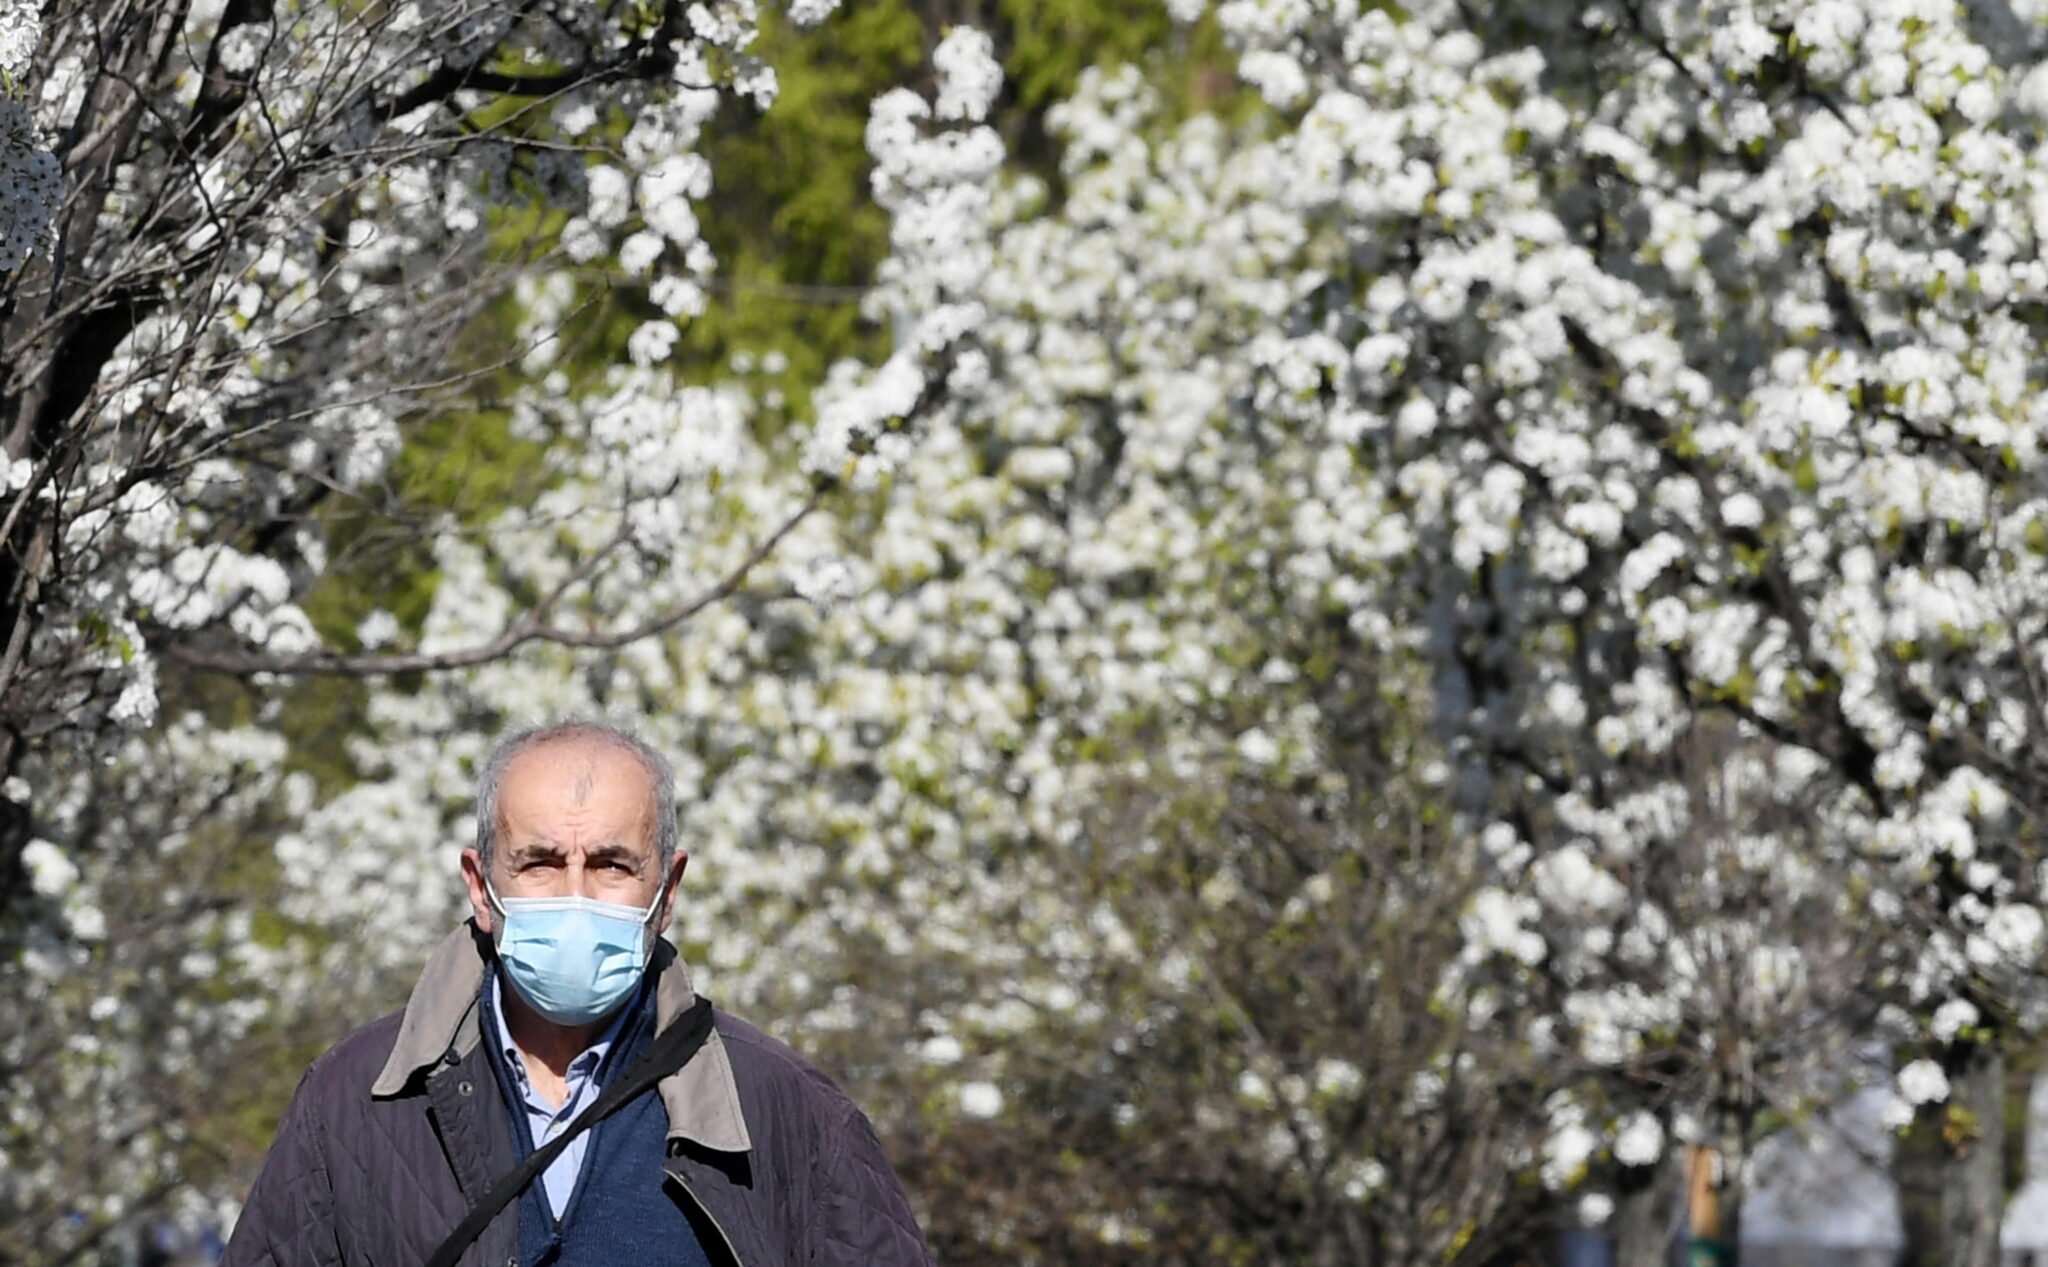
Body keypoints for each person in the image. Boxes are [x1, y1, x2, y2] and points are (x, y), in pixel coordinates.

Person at [223, 720, 933, 1266]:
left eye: (610, 864)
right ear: (480, 885)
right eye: (537, 862)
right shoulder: (353, 1102)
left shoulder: (790, 1112)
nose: (574, 894)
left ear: (668, 889)